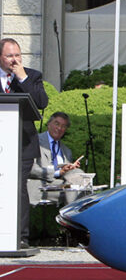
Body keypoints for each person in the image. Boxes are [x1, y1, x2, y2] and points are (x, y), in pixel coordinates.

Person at [1, 38, 49, 248]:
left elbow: (41, 103)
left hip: (23, 144)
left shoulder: (32, 76)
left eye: (18, 55)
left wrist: (22, 77)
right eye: (9, 56)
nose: (14, 60)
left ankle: (20, 236)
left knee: (17, 188)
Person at [30, 112, 93, 205]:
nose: (59, 128)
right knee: (77, 189)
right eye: (57, 124)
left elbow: (68, 176)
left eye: (63, 126)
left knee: (79, 177)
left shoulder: (67, 151)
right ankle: (74, 214)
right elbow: (30, 168)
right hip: (40, 185)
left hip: (62, 185)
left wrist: (70, 168)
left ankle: (74, 213)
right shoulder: (35, 141)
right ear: (48, 124)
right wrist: (58, 172)